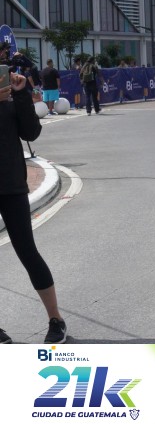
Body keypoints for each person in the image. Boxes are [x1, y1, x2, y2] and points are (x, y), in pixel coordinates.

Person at [0, 72, 67, 344]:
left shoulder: (11, 97)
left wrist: (21, 94)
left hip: (11, 186)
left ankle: (56, 320)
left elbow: (31, 132)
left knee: (27, 252)